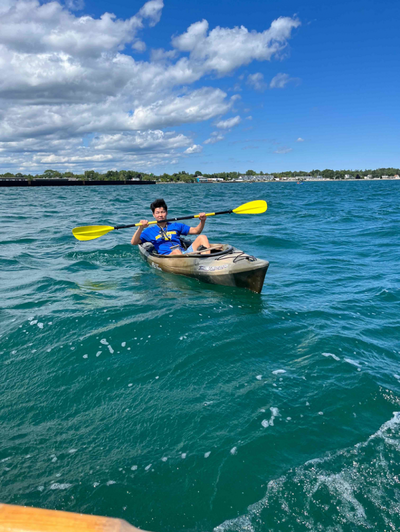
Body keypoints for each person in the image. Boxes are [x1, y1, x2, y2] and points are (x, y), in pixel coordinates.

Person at [131, 198, 210, 255]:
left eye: (162, 212)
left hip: (183, 254)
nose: (160, 215)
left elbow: (197, 231)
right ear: (153, 215)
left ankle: (207, 261)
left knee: (202, 237)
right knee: (176, 252)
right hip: (168, 258)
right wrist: (140, 228)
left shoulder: (176, 226)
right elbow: (134, 242)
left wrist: (202, 220)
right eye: (157, 213)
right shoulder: (149, 231)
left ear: (166, 213)